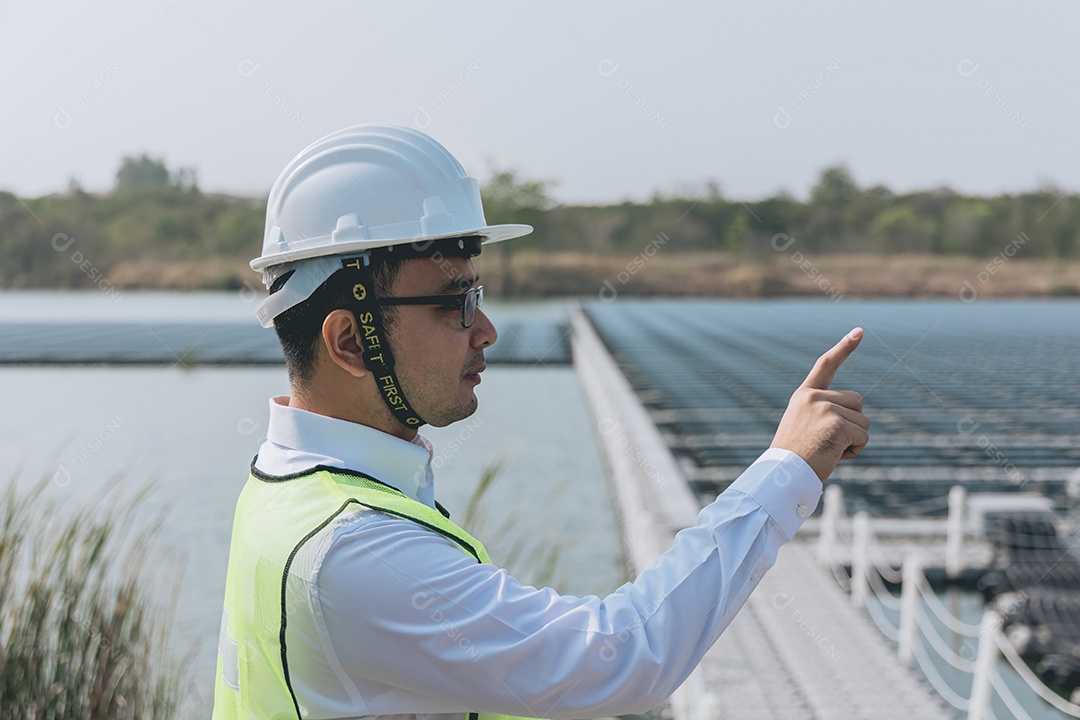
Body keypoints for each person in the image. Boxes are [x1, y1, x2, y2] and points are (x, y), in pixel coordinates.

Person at [213, 124, 871, 720]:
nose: (487, 331)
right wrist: (786, 470)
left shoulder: (289, 488)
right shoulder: (351, 551)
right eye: (454, 305)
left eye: (478, 297)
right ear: (350, 343)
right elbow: (622, 660)